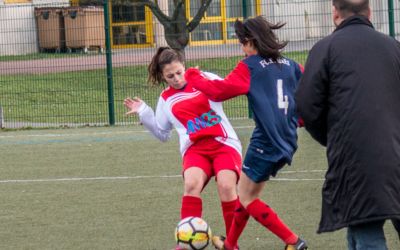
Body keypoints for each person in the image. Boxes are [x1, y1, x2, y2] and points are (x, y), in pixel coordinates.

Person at [184, 16, 307, 250]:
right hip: (288, 141)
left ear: (251, 41)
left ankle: (293, 242)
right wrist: (298, 119)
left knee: (248, 198)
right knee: (246, 194)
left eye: (242, 43)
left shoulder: (250, 66)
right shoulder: (292, 65)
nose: (242, 48)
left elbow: (218, 91)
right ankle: (231, 244)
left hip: (265, 142)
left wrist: (193, 76)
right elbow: (306, 96)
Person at [295, 0, 400, 249]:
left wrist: (334, 137)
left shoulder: (325, 49)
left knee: (366, 228)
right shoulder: (394, 47)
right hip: (396, 151)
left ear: (335, 13)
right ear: (369, 12)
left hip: (356, 157)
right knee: (360, 227)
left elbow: (308, 106)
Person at [123, 47, 242, 250]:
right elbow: (162, 133)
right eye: (170, 76)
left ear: (184, 66)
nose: (177, 78)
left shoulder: (204, 78)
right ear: (163, 76)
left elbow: (226, 90)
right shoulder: (166, 99)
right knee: (191, 184)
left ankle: (232, 244)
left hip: (223, 143)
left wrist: (203, 80)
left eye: (179, 72)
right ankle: (186, 244)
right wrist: (144, 112)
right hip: (195, 149)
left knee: (226, 185)